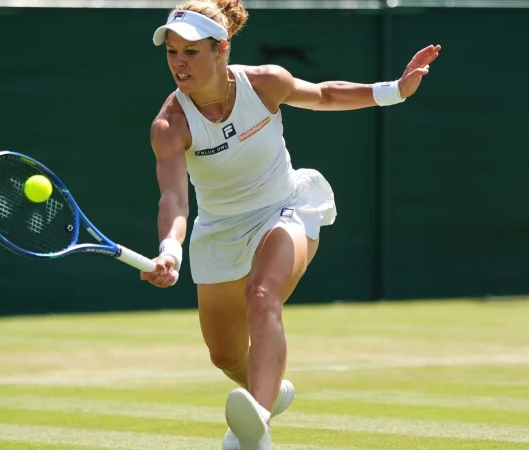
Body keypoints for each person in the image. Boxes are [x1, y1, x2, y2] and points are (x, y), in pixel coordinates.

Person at [139, 1, 440, 448]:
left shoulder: (264, 83)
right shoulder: (170, 124)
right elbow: (174, 198)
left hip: (285, 207)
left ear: (221, 49)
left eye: (191, 52)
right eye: (172, 52)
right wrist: (170, 248)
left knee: (262, 295)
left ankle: (255, 423)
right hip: (219, 229)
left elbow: (325, 94)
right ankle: (271, 391)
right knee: (223, 353)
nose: (179, 63)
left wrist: (395, 89)